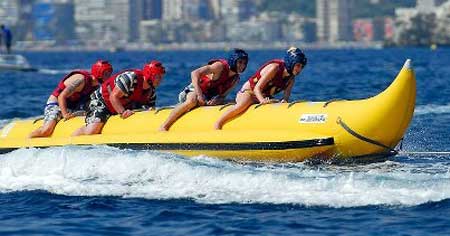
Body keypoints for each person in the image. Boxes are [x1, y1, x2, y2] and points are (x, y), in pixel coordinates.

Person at [214, 47, 307, 130]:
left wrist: (282, 102)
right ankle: (218, 123)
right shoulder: (275, 68)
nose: (299, 69)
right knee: (242, 105)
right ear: (291, 62)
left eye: (302, 67)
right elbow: (257, 88)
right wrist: (262, 100)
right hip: (248, 93)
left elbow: (285, 98)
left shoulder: (291, 79)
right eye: (298, 65)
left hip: (264, 97)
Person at [159, 48, 248, 131]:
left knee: (233, 101)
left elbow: (222, 96)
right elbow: (194, 73)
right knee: (192, 101)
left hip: (208, 97)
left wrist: (218, 99)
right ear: (233, 61)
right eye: (240, 62)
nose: (242, 66)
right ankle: (164, 126)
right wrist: (200, 95)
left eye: (244, 63)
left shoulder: (235, 79)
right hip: (195, 90)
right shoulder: (219, 66)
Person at [73, 60, 165, 136]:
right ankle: (73, 137)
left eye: (161, 77)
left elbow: (150, 109)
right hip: (102, 101)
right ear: (149, 74)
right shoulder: (130, 79)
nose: (160, 80)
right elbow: (113, 97)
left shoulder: (150, 92)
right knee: (92, 130)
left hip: (122, 105)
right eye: (157, 76)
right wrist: (123, 112)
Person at [29, 60, 113, 138]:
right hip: (56, 104)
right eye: (106, 74)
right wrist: (65, 114)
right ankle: (27, 140)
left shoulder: (96, 86)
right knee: (46, 131)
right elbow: (61, 96)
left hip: (73, 107)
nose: (109, 76)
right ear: (99, 73)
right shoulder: (80, 80)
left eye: (110, 73)